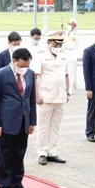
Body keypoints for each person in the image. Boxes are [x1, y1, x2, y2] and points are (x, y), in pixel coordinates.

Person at [0, 48, 36, 188]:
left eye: (27, 65)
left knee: (19, 155)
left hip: (23, 121)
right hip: (6, 122)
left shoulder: (29, 74)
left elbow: (31, 99)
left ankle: (17, 186)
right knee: (4, 156)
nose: (25, 68)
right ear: (14, 61)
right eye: (22, 65)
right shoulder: (0, 75)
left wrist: (32, 121)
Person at [31, 31, 69, 165]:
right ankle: (42, 152)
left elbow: (66, 75)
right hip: (45, 97)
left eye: (59, 43)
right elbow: (36, 76)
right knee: (43, 126)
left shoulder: (63, 55)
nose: (57, 45)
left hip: (60, 96)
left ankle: (53, 152)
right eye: (55, 42)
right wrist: (36, 95)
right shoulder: (41, 55)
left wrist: (68, 93)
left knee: (55, 127)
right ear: (48, 42)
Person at [65, 18, 79, 93]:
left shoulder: (74, 35)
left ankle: (70, 90)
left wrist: (64, 46)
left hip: (71, 57)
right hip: (66, 56)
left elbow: (70, 46)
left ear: (73, 26)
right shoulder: (68, 33)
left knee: (71, 74)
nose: (69, 26)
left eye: (70, 25)